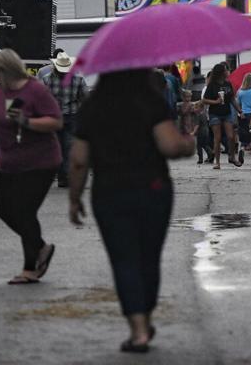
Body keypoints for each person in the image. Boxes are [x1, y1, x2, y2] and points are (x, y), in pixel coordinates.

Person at [68, 69, 196, 353]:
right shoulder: (150, 100)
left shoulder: (92, 106)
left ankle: (138, 330)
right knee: (148, 257)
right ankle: (146, 318)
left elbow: (78, 161)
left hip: (109, 192)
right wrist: (188, 143)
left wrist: (74, 199)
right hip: (153, 189)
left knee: (124, 259)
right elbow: (170, 146)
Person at [0, 49, 63, 285]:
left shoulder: (34, 90)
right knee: (4, 209)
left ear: (6, 70)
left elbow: (56, 120)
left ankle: (29, 268)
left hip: (40, 162)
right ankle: (41, 247)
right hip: (10, 161)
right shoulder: (3, 92)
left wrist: (27, 122)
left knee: (25, 211)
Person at [39, 50, 87, 189]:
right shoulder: (78, 79)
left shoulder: (47, 79)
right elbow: (84, 99)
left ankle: (62, 175)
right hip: (70, 116)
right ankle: (64, 176)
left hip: (55, 117)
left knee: (59, 147)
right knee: (66, 147)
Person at [202, 63, 239, 169]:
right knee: (217, 138)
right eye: (226, 70)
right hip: (215, 113)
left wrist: (239, 110)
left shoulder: (228, 84)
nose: (228, 72)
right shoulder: (212, 85)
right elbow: (204, 100)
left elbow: (232, 99)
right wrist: (215, 101)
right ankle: (217, 162)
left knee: (231, 136)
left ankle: (231, 156)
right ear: (221, 72)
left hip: (226, 113)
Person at [236, 73, 251, 153]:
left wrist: (240, 112)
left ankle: (245, 145)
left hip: (244, 114)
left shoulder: (240, 91)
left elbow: (238, 104)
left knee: (245, 130)